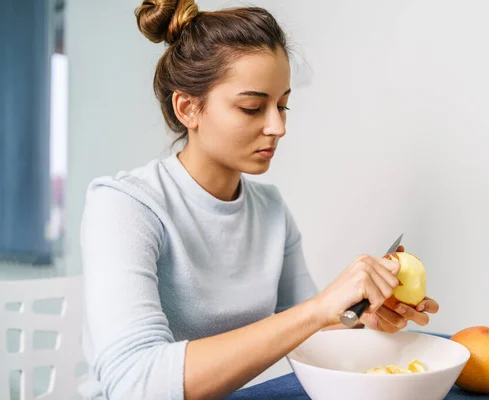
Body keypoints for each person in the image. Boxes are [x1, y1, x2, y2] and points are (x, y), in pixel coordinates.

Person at [79, 1, 439, 399]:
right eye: (252, 107)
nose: (278, 126)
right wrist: (320, 308)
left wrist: (361, 315)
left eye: (282, 105)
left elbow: (306, 331)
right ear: (188, 108)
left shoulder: (269, 210)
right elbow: (135, 384)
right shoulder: (124, 206)